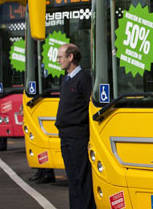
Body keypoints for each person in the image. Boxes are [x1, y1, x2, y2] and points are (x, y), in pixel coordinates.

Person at [55, 43, 95, 208]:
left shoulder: (83, 79)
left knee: (82, 178)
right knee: (72, 178)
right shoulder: (66, 79)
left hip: (78, 136)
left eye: (60, 57)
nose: (57, 60)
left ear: (70, 57)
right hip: (65, 136)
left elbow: (91, 104)